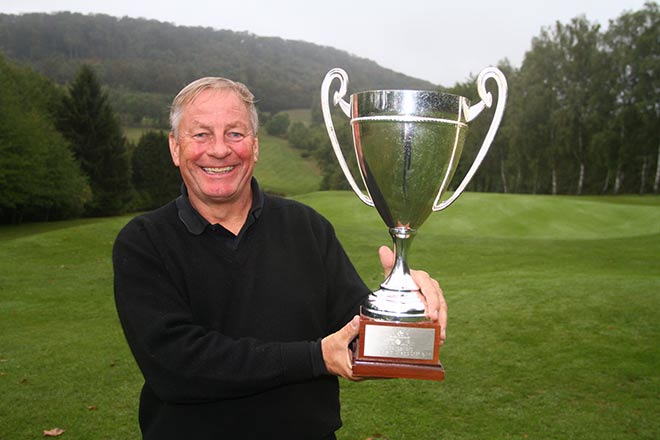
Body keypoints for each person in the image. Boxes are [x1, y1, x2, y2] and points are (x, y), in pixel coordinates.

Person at [113, 77, 447, 440]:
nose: (220, 150)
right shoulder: (144, 242)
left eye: (236, 134)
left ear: (255, 147)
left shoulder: (307, 228)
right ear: (175, 148)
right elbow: (176, 366)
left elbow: (354, 339)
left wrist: (407, 315)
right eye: (201, 135)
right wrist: (315, 357)